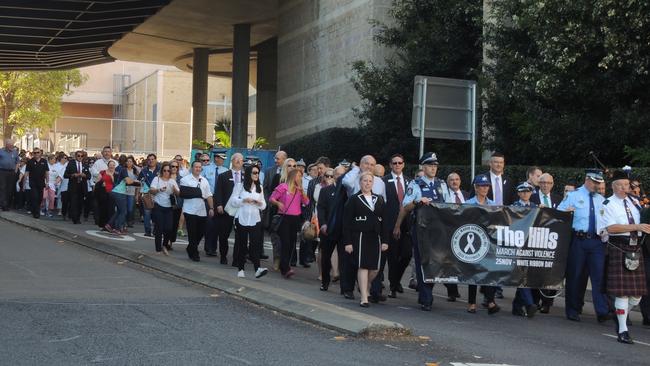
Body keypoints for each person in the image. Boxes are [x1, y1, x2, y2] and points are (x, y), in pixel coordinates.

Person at [598, 170, 650, 344]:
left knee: (637, 296)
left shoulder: (636, 203)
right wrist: (637, 226)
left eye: (626, 185)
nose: (623, 188)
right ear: (613, 187)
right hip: (619, 247)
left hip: (636, 248)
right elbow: (611, 228)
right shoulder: (608, 204)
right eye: (619, 185)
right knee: (623, 294)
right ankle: (622, 329)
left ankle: (620, 314)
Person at [393, 152, 450, 311]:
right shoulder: (415, 184)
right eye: (430, 165)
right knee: (422, 261)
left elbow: (448, 205)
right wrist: (418, 202)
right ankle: (426, 297)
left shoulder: (441, 184)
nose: (433, 168)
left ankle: (426, 293)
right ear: (423, 167)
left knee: (435, 262)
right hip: (421, 229)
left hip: (438, 230)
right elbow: (406, 206)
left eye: (435, 165)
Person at [558, 169, 610, 323]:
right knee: (575, 276)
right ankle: (572, 309)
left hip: (597, 242)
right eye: (595, 182)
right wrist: (565, 212)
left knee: (599, 276)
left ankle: (602, 311)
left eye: (599, 183)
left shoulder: (602, 200)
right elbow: (558, 213)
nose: (597, 185)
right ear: (587, 180)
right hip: (578, 240)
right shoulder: (573, 196)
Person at [343, 171, 389, 307]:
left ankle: (365, 285)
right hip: (360, 236)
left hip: (376, 237)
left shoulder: (379, 199)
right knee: (363, 266)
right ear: (360, 182)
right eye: (365, 181)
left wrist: (386, 240)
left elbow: (385, 222)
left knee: (375, 268)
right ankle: (364, 297)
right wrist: (348, 242)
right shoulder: (353, 199)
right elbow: (346, 222)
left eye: (370, 181)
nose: (367, 183)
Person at [463, 174, 501, 315]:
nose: (484, 188)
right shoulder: (468, 203)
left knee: (489, 271)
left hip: (489, 242)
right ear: (476, 187)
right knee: (474, 272)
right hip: (474, 241)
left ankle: (490, 301)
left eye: (486, 186)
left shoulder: (493, 204)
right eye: (482, 186)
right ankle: (471, 303)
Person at [380, 154, 412, 300]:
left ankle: (396, 279)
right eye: (395, 163)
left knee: (406, 255)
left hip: (407, 224)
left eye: (400, 162)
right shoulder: (384, 181)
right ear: (390, 165)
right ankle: (393, 286)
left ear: (403, 164)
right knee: (392, 257)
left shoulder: (409, 181)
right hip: (390, 224)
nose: (397, 165)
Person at [529, 172, 563, 312]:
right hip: (536, 239)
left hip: (554, 240)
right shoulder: (532, 197)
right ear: (538, 183)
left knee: (552, 272)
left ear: (552, 184)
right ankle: (535, 300)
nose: (545, 185)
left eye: (548, 183)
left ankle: (548, 303)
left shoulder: (558, 199)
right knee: (537, 271)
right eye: (542, 182)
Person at [231, 164, 268, 279]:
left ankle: (257, 269)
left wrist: (259, 203)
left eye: (258, 172)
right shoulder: (240, 186)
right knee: (242, 245)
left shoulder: (259, 188)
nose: (257, 175)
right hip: (241, 218)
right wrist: (244, 200)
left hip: (255, 219)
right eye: (254, 173)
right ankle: (240, 269)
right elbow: (233, 201)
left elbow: (264, 205)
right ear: (248, 174)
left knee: (255, 245)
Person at [270, 169, 309, 278]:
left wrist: (302, 192)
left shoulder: (299, 189)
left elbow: (307, 202)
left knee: (291, 243)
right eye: (298, 176)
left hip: (295, 218)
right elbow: (271, 198)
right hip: (284, 218)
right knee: (286, 242)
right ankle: (285, 268)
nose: (300, 178)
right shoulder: (283, 186)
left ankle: (285, 266)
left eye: (301, 176)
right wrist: (278, 203)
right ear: (292, 176)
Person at [511, 182, 538, 318]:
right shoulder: (513, 207)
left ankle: (517, 305)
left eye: (528, 192)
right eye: (523, 192)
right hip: (517, 244)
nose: (525, 194)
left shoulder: (535, 207)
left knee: (526, 275)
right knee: (522, 274)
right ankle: (529, 303)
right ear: (518, 193)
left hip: (530, 244)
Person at [179, 160, 214, 262]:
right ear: (192, 168)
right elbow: (184, 193)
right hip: (189, 210)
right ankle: (194, 253)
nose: (198, 169)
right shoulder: (185, 179)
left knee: (201, 232)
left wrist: (211, 208)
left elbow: (208, 195)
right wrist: (198, 193)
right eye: (196, 167)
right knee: (192, 233)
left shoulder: (204, 180)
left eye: (199, 167)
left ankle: (190, 247)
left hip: (201, 210)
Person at [443, 172, 469, 301]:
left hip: (465, 232)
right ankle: (452, 291)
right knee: (449, 263)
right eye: (452, 180)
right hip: (449, 231)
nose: (454, 182)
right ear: (448, 182)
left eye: (457, 179)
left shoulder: (466, 195)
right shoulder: (444, 195)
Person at [317, 166, 345, 291]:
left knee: (345, 259)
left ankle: (346, 287)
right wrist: (322, 223)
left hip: (344, 230)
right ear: (334, 176)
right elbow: (321, 209)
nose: (340, 177)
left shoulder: (348, 192)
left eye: (342, 174)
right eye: (337, 174)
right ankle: (325, 281)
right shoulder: (326, 190)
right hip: (328, 229)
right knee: (326, 257)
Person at [214, 153, 244, 265]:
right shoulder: (223, 175)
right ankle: (223, 255)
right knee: (223, 235)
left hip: (240, 210)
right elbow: (218, 191)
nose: (238, 161)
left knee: (240, 236)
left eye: (241, 160)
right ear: (232, 161)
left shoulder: (246, 176)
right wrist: (219, 205)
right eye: (236, 159)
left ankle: (237, 259)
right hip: (226, 210)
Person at [149, 162, 179, 255]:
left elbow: (178, 193)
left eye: (168, 171)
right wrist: (159, 190)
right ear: (162, 171)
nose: (166, 172)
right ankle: (158, 249)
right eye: (165, 170)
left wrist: (175, 190)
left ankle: (164, 245)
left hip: (169, 207)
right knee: (159, 228)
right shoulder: (156, 179)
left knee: (169, 228)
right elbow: (151, 190)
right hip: (158, 206)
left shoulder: (172, 181)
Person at [63, 150, 90, 224]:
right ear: (76, 156)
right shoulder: (71, 164)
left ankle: (77, 217)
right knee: (74, 202)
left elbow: (89, 176)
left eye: (82, 156)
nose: (80, 157)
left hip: (82, 186)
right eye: (78, 156)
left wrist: (84, 175)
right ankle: (75, 219)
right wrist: (73, 175)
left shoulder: (85, 164)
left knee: (80, 203)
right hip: (73, 186)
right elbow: (65, 175)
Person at [138, 153, 159, 237]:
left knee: (157, 214)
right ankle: (147, 231)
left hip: (158, 194)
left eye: (152, 159)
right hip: (147, 195)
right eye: (149, 159)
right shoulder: (143, 171)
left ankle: (155, 231)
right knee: (147, 213)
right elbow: (139, 183)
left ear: (156, 160)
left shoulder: (160, 170)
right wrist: (138, 194)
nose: (151, 161)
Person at [25, 148, 48, 219]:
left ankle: (34, 209)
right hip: (33, 183)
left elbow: (46, 172)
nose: (36, 154)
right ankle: (36, 213)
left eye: (37, 152)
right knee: (35, 197)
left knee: (40, 198)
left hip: (41, 183)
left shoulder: (44, 161)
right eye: (34, 153)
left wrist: (47, 182)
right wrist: (25, 181)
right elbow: (27, 172)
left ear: (40, 153)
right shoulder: (30, 161)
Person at [0, 139, 20, 211]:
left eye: (12, 145)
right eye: (10, 145)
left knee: (10, 189)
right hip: (2, 171)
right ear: (6, 145)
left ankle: (6, 204)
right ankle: (4, 205)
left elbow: (17, 162)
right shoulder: (1, 151)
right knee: (3, 188)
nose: (12, 146)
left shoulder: (15, 152)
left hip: (11, 172)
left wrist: (16, 170)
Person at [97, 160, 117, 230]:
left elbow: (117, 184)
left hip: (112, 193)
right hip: (103, 193)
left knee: (111, 210)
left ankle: (110, 225)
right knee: (103, 209)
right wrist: (101, 183)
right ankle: (102, 225)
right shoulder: (102, 172)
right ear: (108, 165)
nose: (112, 166)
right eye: (110, 165)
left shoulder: (117, 174)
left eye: (113, 165)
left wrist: (112, 177)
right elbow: (98, 181)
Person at [169, 160, 185, 246]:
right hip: (165, 204)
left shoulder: (181, 179)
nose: (174, 168)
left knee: (174, 225)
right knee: (166, 224)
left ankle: (170, 242)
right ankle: (166, 241)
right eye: (172, 166)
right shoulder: (165, 177)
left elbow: (182, 193)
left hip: (177, 205)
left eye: (176, 167)